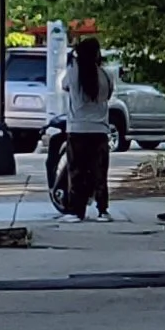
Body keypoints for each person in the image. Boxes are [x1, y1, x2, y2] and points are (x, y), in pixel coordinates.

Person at [53, 22, 114, 217]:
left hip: (77, 129)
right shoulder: (105, 75)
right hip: (100, 130)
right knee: (99, 173)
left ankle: (76, 210)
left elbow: (63, 86)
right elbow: (109, 94)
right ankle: (102, 209)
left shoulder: (74, 73)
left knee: (77, 171)